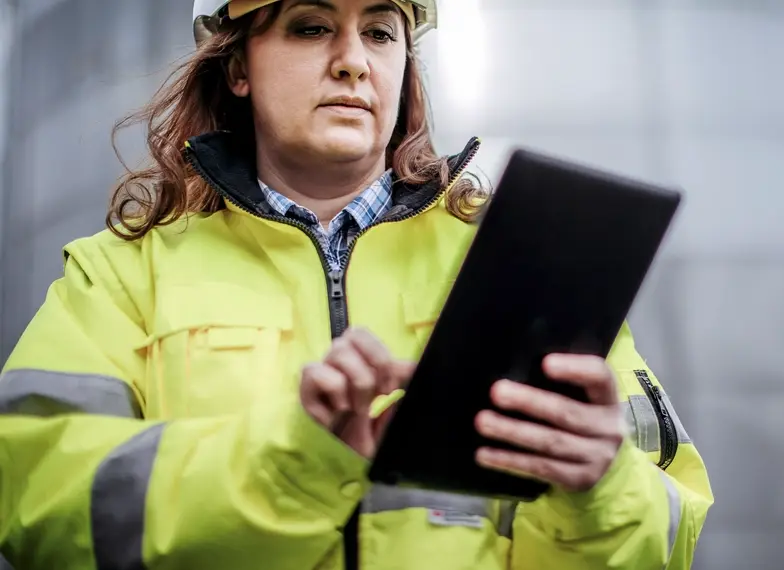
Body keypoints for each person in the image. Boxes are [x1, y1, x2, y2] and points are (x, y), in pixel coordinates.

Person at [0, 0, 713, 568]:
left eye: (378, 32)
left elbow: (670, 531)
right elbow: (37, 508)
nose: (352, 62)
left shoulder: (520, 266)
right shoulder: (122, 274)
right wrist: (294, 464)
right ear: (238, 65)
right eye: (311, 28)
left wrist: (600, 489)